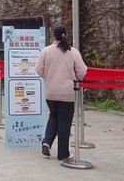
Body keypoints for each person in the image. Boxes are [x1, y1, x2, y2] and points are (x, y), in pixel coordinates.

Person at [35, 24, 87, 161]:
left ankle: (47, 142)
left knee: (53, 116)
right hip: (68, 93)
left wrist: (48, 75)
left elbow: (38, 69)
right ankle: (63, 153)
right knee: (64, 122)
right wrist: (76, 77)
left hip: (51, 91)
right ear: (67, 35)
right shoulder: (73, 52)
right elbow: (82, 71)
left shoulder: (46, 51)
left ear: (53, 35)